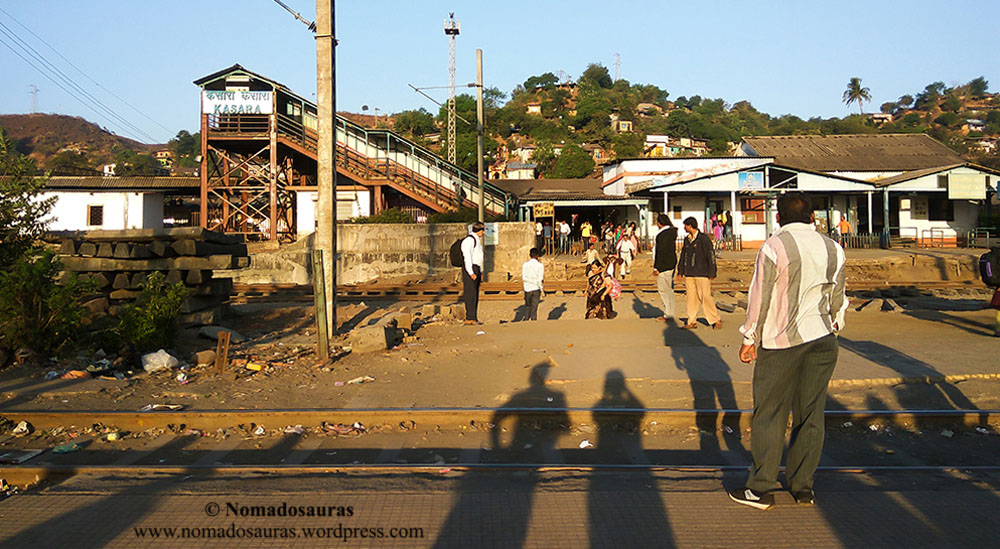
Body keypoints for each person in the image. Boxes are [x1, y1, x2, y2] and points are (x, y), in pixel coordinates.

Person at [728, 192, 848, 510]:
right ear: (813, 217)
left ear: (778, 218)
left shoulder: (774, 246)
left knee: (770, 414)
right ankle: (802, 487)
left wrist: (748, 337)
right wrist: (835, 326)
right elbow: (838, 297)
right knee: (811, 414)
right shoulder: (833, 247)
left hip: (781, 342)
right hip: (823, 339)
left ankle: (760, 489)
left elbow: (760, 296)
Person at [677, 217, 721, 330]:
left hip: (702, 272)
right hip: (689, 272)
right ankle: (691, 321)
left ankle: (715, 319)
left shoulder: (703, 239)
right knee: (691, 298)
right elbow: (683, 256)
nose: (684, 228)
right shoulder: (687, 240)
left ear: (690, 226)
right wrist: (680, 271)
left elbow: (710, 255)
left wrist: (712, 271)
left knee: (705, 296)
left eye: (685, 226)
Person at [652, 213, 678, 322]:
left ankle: (668, 314)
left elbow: (660, 252)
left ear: (659, 223)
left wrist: (656, 267)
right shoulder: (671, 233)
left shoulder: (662, 235)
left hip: (663, 265)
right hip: (671, 263)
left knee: (664, 290)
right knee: (669, 289)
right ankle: (670, 312)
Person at [461, 222, 486, 325]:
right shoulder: (469, 240)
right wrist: (471, 272)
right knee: (470, 294)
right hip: (470, 268)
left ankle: (473, 317)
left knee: (475, 294)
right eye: (482, 230)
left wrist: (480, 272)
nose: (483, 232)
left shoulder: (476, 240)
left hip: (476, 268)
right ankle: (469, 317)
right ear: (479, 230)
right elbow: (467, 257)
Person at [521, 247, 544, 321]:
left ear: (530, 255)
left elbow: (524, 277)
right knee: (534, 307)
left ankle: (526, 320)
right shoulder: (540, 266)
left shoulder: (525, 265)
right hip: (536, 288)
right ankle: (533, 321)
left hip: (527, 288)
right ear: (537, 255)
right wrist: (541, 288)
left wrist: (530, 281)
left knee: (527, 305)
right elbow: (540, 279)